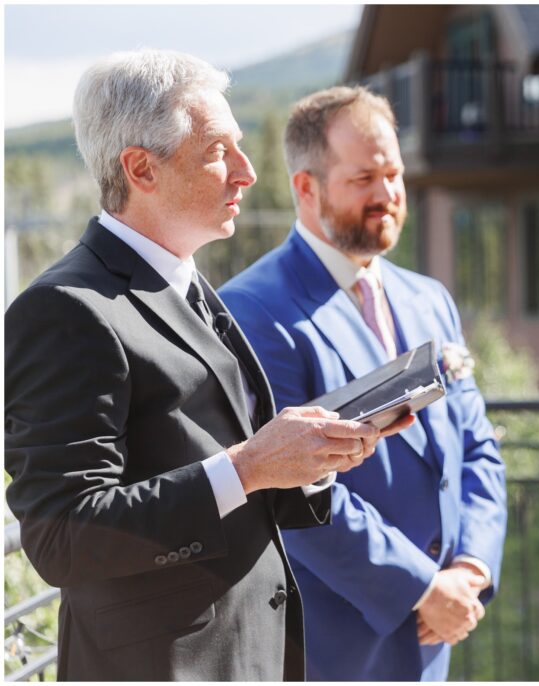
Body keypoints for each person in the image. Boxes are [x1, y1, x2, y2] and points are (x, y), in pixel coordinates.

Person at [4, 51, 413, 681]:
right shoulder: (64, 309)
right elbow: (63, 537)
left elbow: (224, 471)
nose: (248, 173)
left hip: (250, 654)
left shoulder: (188, 282)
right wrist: (249, 467)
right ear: (141, 168)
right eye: (220, 151)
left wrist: (313, 461)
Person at [219, 86, 507, 680]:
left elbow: (476, 443)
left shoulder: (430, 299)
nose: (388, 196)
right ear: (306, 187)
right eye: (363, 179)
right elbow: (287, 488)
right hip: (332, 645)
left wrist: (472, 568)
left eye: (395, 174)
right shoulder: (251, 311)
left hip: (435, 638)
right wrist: (420, 586)